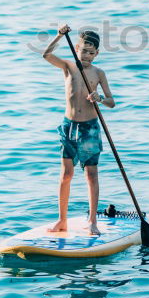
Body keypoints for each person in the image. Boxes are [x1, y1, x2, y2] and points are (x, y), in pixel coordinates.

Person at [40, 24, 115, 235]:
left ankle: (92, 221)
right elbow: (46, 55)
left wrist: (100, 98)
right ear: (77, 48)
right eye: (84, 51)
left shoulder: (99, 73)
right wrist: (58, 36)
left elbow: (112, 101)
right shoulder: (68, 67)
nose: (87, 56)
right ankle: (61, 220)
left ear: (97, 53)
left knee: (91, 174)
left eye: (92, 53)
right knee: (66, 174)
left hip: (89, 128)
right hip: (69, 126)